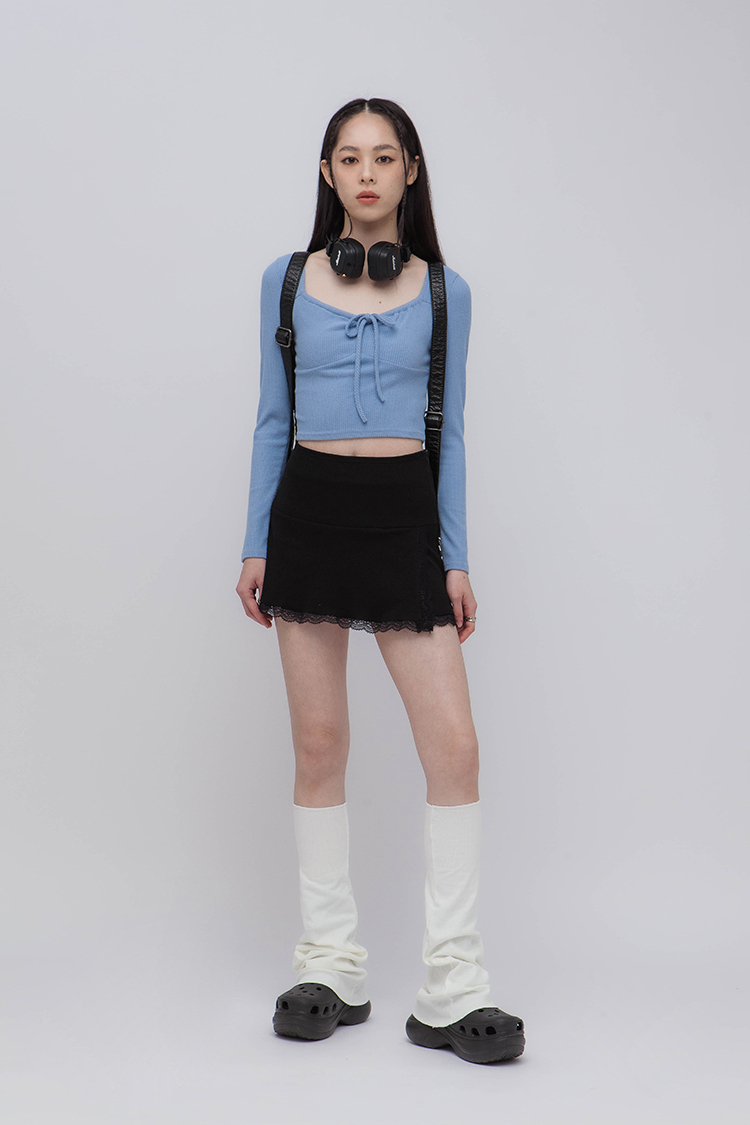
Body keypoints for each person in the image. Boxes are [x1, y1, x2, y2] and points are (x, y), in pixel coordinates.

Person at [236, 97, 525, 1065]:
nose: (367, 174)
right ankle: (331, 965)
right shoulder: (285, 281)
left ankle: (454, 983)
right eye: (350, 158)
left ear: (410, 171)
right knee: (319, 743)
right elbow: (271, 420)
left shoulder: (448, 292)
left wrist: (455, 557)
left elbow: (453, 432)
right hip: (308, 515)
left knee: (455, 749)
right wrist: (255, 543)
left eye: (384, 157)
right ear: (328, 173)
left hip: (403, 518)